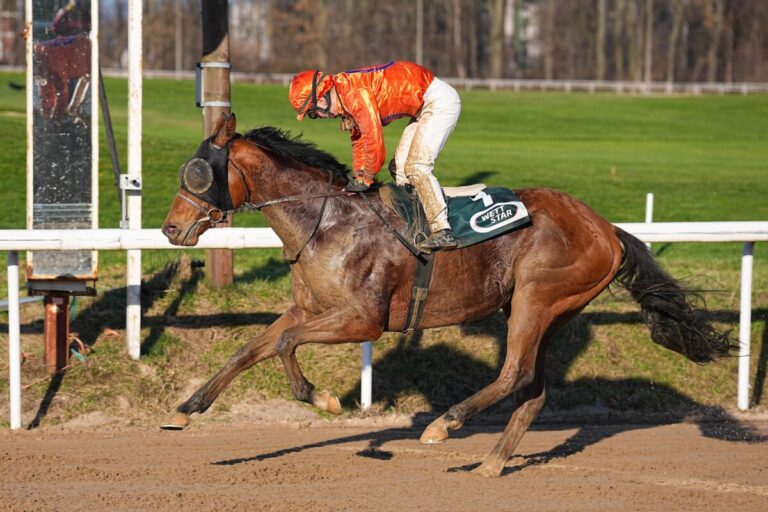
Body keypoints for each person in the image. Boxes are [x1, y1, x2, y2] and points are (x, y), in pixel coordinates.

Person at [288, 61, 461, 251]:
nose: (319, 117)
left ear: (321, 101)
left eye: (313, 114)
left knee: (417, 167)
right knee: (399, 168)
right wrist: (359, 176)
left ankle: (442, 231)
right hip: (423, 106)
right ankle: (419, 222)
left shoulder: (353, 95)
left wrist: (367, 177)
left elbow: (373, 138)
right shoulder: (344, 95)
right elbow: (359, 140)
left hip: (439, 103)